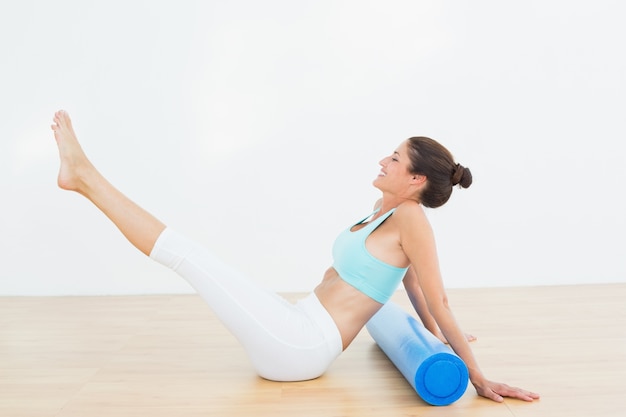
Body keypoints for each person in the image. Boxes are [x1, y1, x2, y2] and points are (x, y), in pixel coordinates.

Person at [51, 110, 539, 403]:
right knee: (197, 257)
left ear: (415, 180)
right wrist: (429, 336)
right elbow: (412, 290)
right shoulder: (381, 210)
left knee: (188, 255)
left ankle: (84, 178)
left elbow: (439, 298)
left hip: (302, 345)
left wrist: (476, 374)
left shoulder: (412, 220)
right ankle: (83, 177)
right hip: (297, 321)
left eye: (394, 158)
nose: (383, 160)